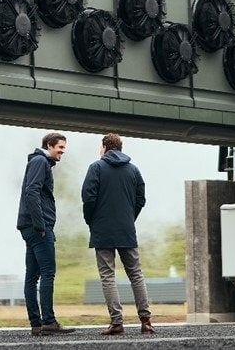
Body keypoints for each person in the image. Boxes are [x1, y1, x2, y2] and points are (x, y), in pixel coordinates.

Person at [81, 133, 155, 335]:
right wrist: (129, 218)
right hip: (126, 229)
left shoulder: (96, 167)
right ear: (120, 148)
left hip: (102, 229)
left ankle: (117, 322)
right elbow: (141, 199)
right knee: (136, 274)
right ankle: (146, 320)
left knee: (107, 276)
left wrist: (91, 220)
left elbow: (88, 198)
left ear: (105, 146)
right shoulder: (133, 169)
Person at [16, 132, 75, 336]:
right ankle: (48, 321)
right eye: (60, 147)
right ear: (49, 145)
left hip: (29, 226)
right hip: (37, 228)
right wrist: (41, 226)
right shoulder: (40, 161)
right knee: (47, 273)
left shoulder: (38, 161)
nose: (62, 152)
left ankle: (37, 324)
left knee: (32, 276)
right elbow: (31, 191)